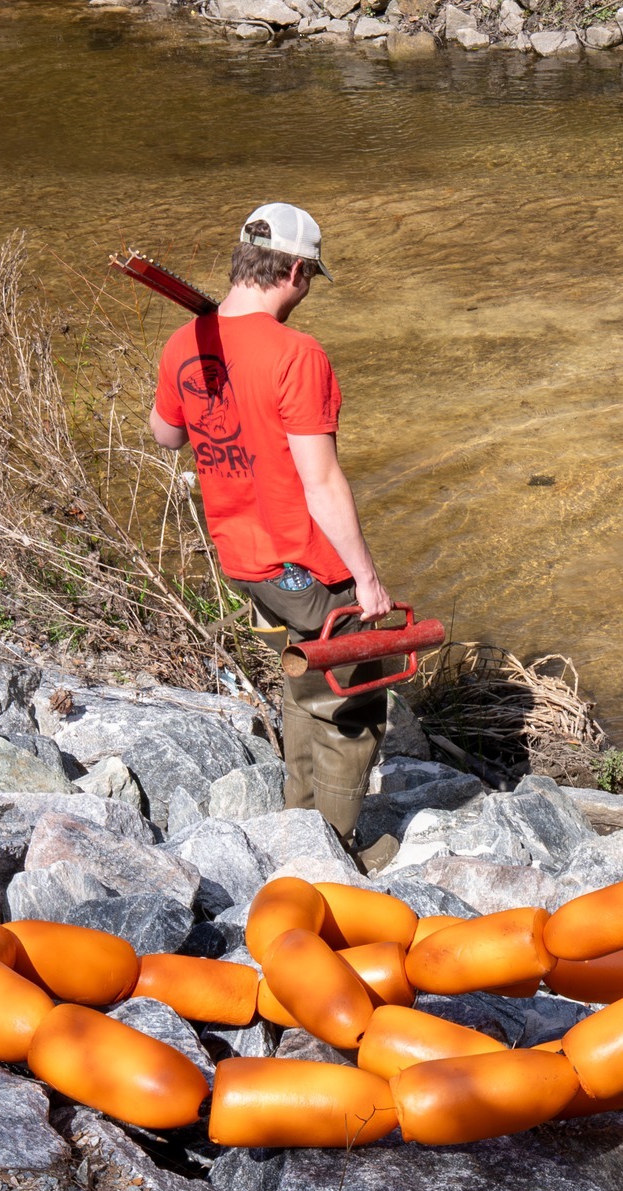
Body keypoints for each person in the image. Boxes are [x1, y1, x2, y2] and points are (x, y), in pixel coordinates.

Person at [150, 203, 397, 861]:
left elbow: (166, 434)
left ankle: (297, 823)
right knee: (352, 705)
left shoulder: (186, 344)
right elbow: (321, 483)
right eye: (309, 277)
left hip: (244, 558)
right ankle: (335, 851)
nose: (306, 290)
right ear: (293, 270)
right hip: (308, 562)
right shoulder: (297, 354)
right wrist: (367, 580)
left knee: (302, 673)